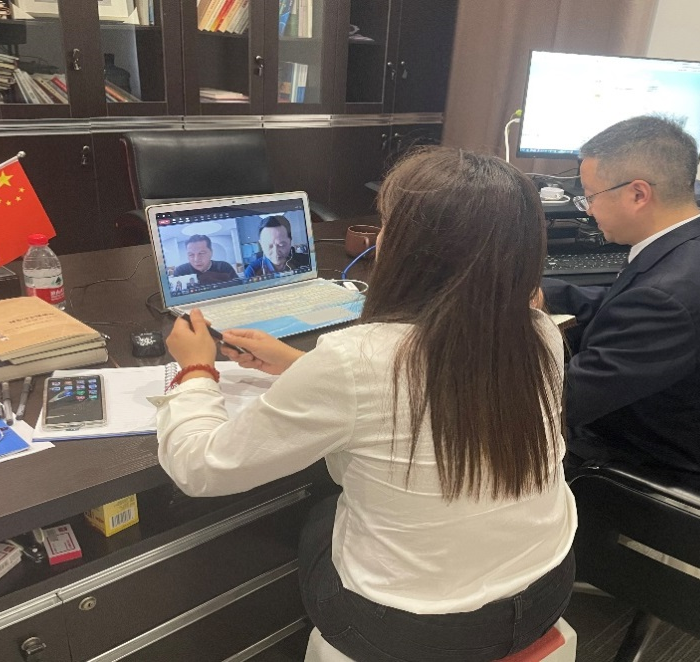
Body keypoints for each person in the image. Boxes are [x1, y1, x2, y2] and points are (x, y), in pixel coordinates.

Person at [156, 147, 576, 661]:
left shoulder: (356, 360)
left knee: (318, 510)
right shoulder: (540, 332)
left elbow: (200, 468)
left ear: (409, 247)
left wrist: (195, 369)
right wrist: (299, 365)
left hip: (414, 630)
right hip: (546, 591)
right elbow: (423, 392)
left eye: (386, 225)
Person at [541, 116, 700, 505]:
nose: (588, 211)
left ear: (638, 194)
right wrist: (549, 294)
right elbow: (623, 306)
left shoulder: (666, 296)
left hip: (655, 470)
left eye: (590, 196)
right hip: (699, 442)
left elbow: (564, 402)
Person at [173, 234, 239, 285]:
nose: (196, 259)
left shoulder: (224, 267)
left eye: (201, 253)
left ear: (211, 252)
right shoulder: (180, 271)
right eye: (191, 255)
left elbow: (238, 288)